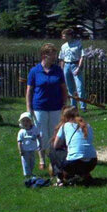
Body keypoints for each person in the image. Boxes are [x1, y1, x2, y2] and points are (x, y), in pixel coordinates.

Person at [26, 43, 68, 171]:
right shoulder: (35, 71)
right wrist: (29, 108)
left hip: (56, 106)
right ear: (45, 55)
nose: (55, 56)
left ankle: (53, 158)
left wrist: (64, 104)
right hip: (39, 107)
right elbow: (29, 90)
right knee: (41, 133)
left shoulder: (57, 70)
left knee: (54, 133)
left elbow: (63, 88)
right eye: (52, 54)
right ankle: (42, 159)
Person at [52, 106, 97, 186]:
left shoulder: (65, 126)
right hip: (92, 162)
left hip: (74, 163)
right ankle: (85, 174)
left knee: (53, 152)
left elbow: (56, 145)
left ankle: (60, 178)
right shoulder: (87, 125)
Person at [59, 28, 85, 110]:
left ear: (69, 36)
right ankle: (73, 106)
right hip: (67, 65)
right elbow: (62, 58)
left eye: (64, 36)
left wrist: (78, 68)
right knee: (70, 88)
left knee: (79, 86)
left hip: (75, 65)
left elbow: (82, 56)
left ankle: (83, 106)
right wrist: (62, 69)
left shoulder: (78, 44)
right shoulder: (63, 46)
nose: (63, 37)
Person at [17, 112, 42, 179]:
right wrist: (20, 150)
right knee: (25, 162)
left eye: (27, 121)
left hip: (33, 149)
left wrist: (40, 144)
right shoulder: (21, 132)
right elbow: (19, 142)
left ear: (31, 122)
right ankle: (27, 174)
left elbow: (38, 136)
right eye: (23, 121)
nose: (25, 123)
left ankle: (30, 172)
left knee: (32, 162)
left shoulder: (34, 129)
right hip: (25, 150)